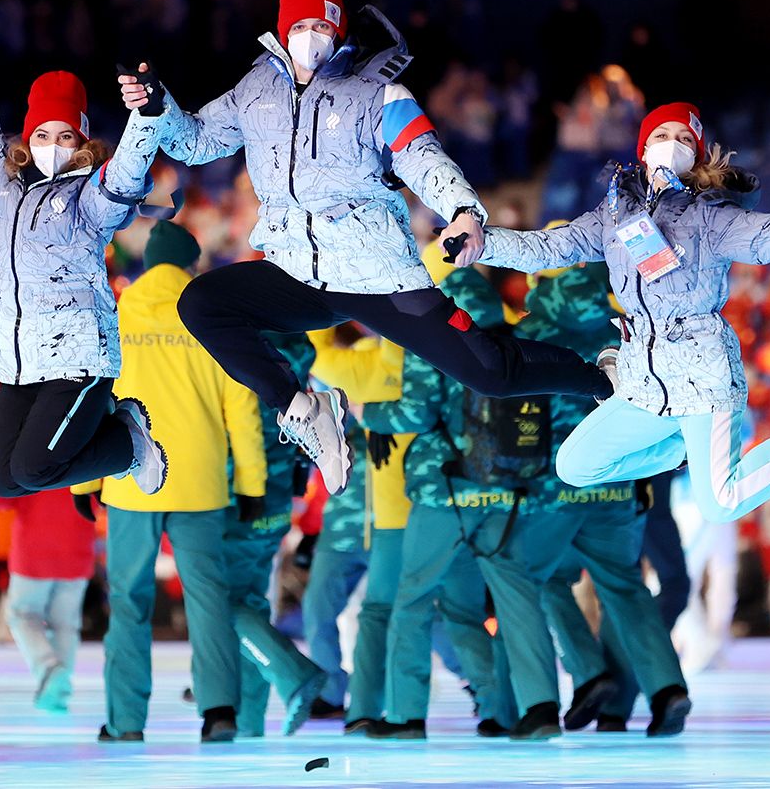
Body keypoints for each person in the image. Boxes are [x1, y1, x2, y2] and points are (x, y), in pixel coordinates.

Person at [119, 0, 611, 499]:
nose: (313, 36)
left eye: (323, 26)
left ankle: (604, 379)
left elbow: (422, 157)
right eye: (302, 25)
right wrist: (157, 107)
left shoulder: (376, 92)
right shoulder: (255, 89)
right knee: (202, 303)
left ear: (339, 29)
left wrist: (464, 211)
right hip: (297, 272)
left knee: (488, 372)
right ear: (283, 30)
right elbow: (196, 143)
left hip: (374, 274)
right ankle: (303, 407)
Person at [480, 102, 770, 523]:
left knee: (721, 504)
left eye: (685, 139)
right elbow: (544, 248)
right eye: (662, 136)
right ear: (643, 149)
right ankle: (684, 448)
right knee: (575, 466)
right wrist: (479, 242)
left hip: (704, 374)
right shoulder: (612, 217)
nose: (672, 146)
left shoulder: (711, 217)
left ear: (697, 157)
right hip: (646, 381)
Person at [0, 0, 169, 500]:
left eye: (66, 136)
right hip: (21, 357)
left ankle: (128, 446)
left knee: (34, 469)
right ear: (27, 141)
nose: (53, 146)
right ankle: (118, 431)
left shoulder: (89, 199)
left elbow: (127, 173)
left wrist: (148, 117)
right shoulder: (8, 191)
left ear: (83, 143)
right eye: (43, 135)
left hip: (78, 356)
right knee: (3, 480)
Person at [75, 221, 266, 743]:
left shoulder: (114, 312)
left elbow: (87, 397)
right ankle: (219, 711)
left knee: (129, 601)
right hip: (201, 482)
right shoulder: (214, 313)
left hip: (129, 476)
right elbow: (243, 403)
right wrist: (252, 483)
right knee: (208, 598)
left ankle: (125, 721)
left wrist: (80, 484)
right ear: (189, 264)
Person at [513, 258, 691, 737]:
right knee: (625, 586)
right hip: (620, 485)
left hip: (558, 484)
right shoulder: (628, 327)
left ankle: (588, 673)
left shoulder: (536, 327)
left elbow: (516, 408)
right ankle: (668, 688)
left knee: (532, 577)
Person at [372, 270, 546, 740]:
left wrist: (366, 413)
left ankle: (405, 715)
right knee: (500, 603)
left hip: (444, 494)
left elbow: (417, 413)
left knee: (412, 599)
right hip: (505, 493)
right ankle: (517, 710)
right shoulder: (517, 340)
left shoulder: (434, 341)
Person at [221, 330, 326, 738]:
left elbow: (238, 419)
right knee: (247, 600)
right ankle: (248, 720)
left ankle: (294, 674)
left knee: (221, 603)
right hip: (279, 496)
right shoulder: (299, 352)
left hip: (241, 492)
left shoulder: (242, 352)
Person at [300, 327, 404, 721]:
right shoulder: (329, 386)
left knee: (400, 611)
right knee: (318, 606)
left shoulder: (395, 375)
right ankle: (330, 690)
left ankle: (470, 679)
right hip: (344, 524)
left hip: (388, 522)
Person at [6, 486, 96, 712]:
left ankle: (49, 668)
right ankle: (59, 689)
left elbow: (4, 497)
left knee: (22, 615)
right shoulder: (88, 451)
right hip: (77, 547)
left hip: (34, 549)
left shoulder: (28, 451)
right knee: (66, 625)